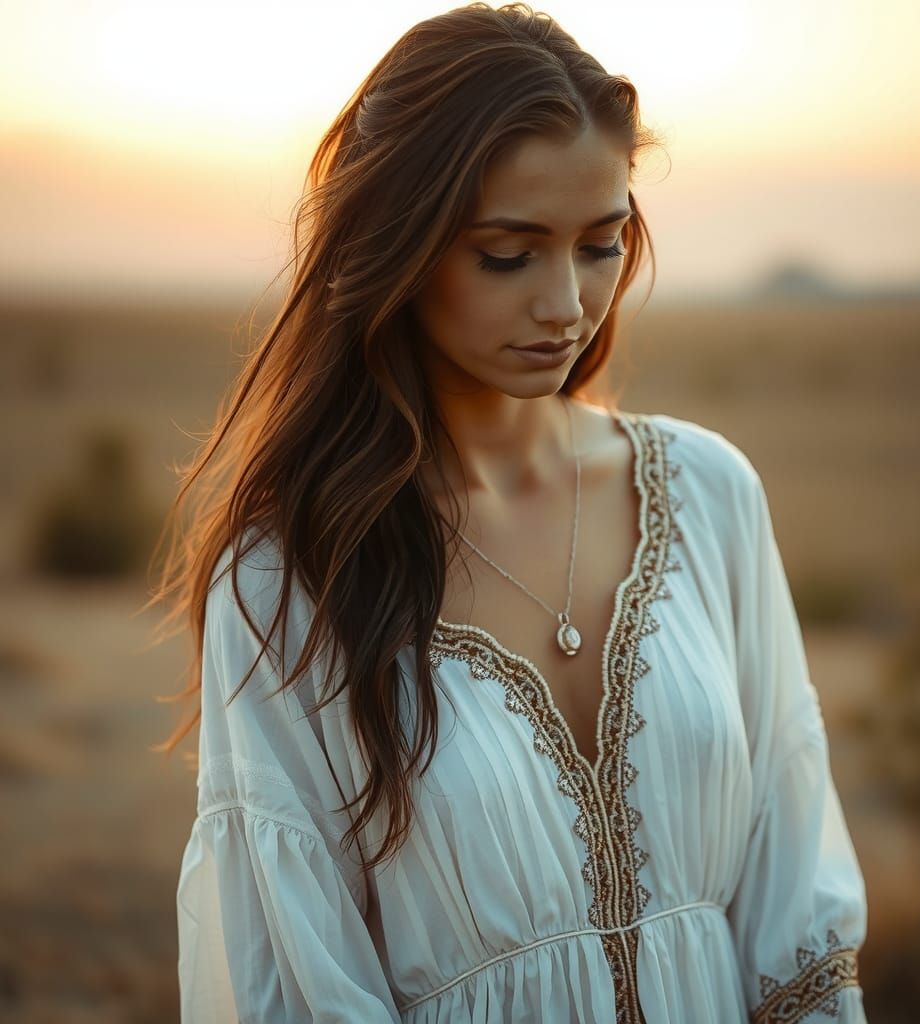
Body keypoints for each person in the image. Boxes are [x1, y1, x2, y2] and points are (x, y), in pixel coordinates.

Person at [160, 3, 868, 1020]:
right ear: (397, 244)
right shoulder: (289, 576)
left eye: (602, 244)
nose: (566, 305)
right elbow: (299, 976)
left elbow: (794, 900)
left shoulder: (708, 493)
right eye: (507, 253)